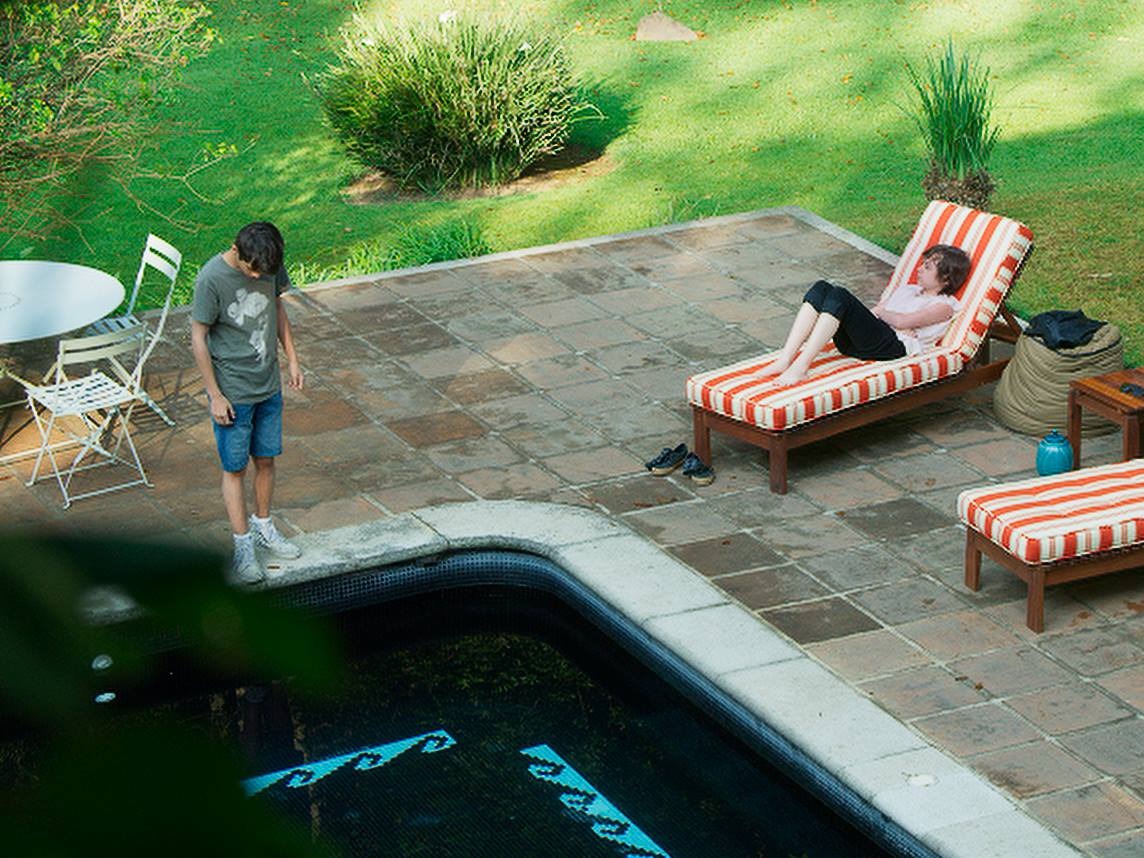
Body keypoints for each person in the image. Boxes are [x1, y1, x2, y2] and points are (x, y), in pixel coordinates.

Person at [191, 221, 304, 585]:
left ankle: (263, 527)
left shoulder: (268, 262)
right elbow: (198, 337)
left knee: (266, 460)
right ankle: (243, 546)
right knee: (235, 468)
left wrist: (293, 359)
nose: (257, 276)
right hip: (233, 391)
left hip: (267, 384)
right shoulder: (211, 279)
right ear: (235, 250)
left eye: (263, 272)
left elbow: (278, 309)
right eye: (251, 270)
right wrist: (215, 395)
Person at [761, 243, 971, 386]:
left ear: (946, 278)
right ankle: (786, 359)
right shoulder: (908, 290)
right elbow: (880, 316)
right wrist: (887, 317)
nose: (919, 269)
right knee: (822, 288)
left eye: (927, 267)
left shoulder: (944, 306)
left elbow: (900, 320)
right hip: (862, 343)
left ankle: (800, 367)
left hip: (893, 347)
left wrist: (886, 315)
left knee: (840, 295)